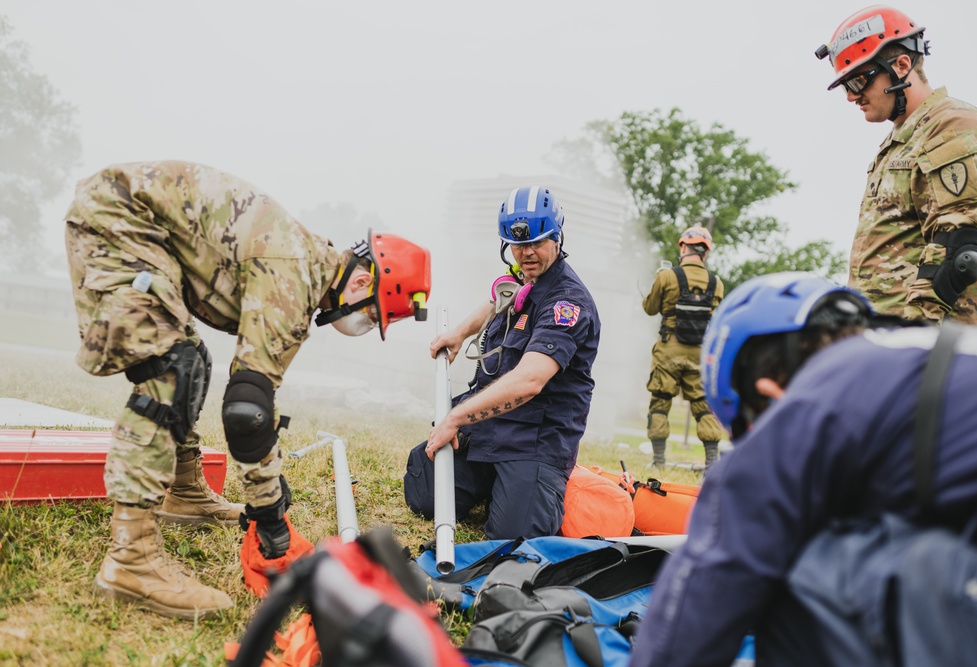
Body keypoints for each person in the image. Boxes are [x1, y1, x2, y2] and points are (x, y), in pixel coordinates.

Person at [64, 160, 431, 619]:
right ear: (361, 281)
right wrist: (270, 511)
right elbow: (246, 411)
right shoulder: (295, 274)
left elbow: (253, 387)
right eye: (375, 313)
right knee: (171, 371)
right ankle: (131, 559)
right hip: (118, 218)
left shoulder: (304, 268)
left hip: (130, 218)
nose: (368, 323)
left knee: (190, 359)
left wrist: (267, 488)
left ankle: (183, 491)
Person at [630, 272, 977, 666]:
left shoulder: (814, 398)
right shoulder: (927, 355)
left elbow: (703, 596)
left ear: (766, 388)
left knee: (800, 572)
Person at [403, 186, 600, 539]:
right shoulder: (526, 274)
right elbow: (501, 296)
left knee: (514, 540)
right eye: (517, 245)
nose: (526, 254)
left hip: (534, 440)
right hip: (489, 430)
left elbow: (530, 381)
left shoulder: (567, 304)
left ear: (557, 237)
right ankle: (498, 486)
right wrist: (460, 333)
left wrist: (456, 417)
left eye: (537, 243)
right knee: (424, 494)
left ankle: (533, 487)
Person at [815, 5, 977, 327]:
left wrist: (910, 337)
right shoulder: (902, 139)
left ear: (901, 65)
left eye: (858, 81)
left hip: (926, 348)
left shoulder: (952, 125)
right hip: (886, 342)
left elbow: (958, 254)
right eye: (845, 85)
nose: (851, 97)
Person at [641, 225, 726, 471]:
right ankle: (711, 464)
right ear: (705, 253)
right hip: (699, 354)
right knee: (703, 406)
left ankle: (658, 462)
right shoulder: (716, 283)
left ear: (683, 247)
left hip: (669, 350)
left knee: (660, 402)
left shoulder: (667, 276)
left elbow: (650, 308)